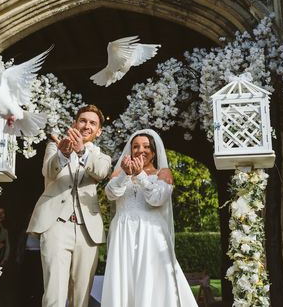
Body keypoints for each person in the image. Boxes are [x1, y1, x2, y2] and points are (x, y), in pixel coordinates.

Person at [101, 129, 198, 307]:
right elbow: (111, 194)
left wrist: (140, 176)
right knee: (124, 279)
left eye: (146, 146)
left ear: (154, 152)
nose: (140, 150)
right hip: (123, 232)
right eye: (136, 147)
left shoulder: (163, 173)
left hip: (151, 233)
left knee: (152, 278)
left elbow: (157, 199)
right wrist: (126, 174)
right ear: (130, 151)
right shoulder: (119, 173)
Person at [27, 105, 112, 307]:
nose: (87, 125)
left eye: (93, 123)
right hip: (56, 225)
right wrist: (63, 154)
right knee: (54, 293)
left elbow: (100, 172)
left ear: (98, 131)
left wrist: (81, 150)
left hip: (87, 230)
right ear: (74, 123)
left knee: (81, 295)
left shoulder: (102, 156)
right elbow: (48, 170)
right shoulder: (55, 146)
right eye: (83, 120)